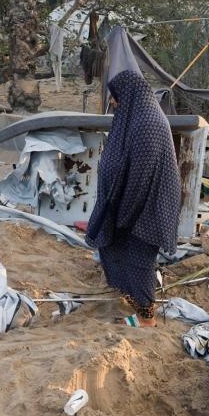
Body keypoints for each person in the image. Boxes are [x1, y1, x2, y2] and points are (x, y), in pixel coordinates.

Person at [85, 66, 181, 328]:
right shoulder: (135, 117)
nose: (113, 102)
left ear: (128, 94)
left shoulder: (147, 123)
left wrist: (125, 213)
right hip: (131, 202)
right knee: (113, 245)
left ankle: (146, 318)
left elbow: (142, 175)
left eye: (115, 96)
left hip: (148, 206)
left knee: (139, 258)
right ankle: (132, 300)